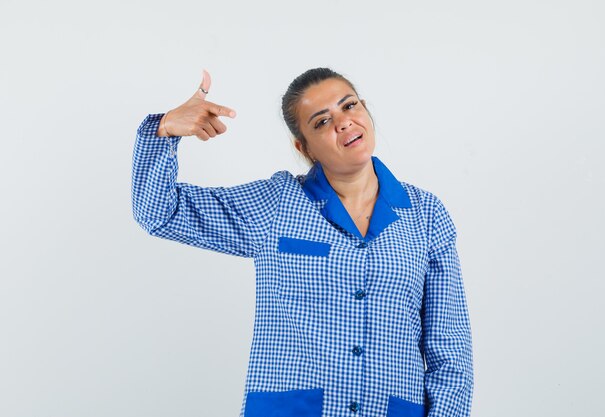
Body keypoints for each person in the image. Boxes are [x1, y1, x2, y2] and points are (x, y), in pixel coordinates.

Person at [131, 68, 473, 417]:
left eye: (349, 105)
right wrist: (164, 131)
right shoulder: (276, 204)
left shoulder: (426, 215)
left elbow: (450, 351)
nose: (343, 123)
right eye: (322, 122)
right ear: (304, 147)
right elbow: (159, 213)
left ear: (365, 110)